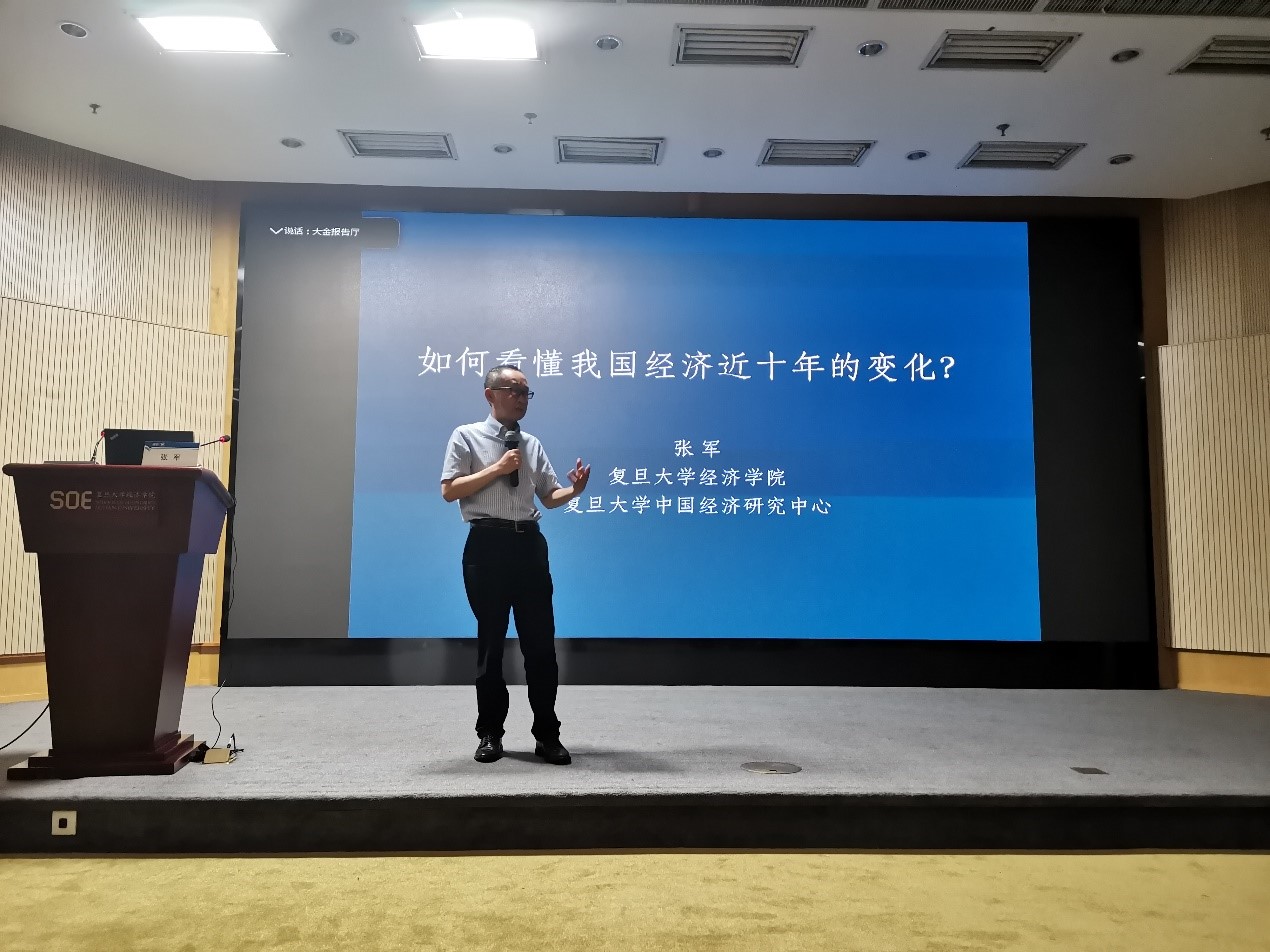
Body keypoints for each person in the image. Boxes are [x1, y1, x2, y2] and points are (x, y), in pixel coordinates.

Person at [440, 365, 591, 765]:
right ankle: (490, 732)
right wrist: (498, 469)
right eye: (514, 390)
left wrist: (573, 490)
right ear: (489, 394)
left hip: (528, 546)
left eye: (526, 392)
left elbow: (549, 497)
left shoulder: (532, 444)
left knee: (541, 646)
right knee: (491, 645)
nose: (522, 398)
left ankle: (547, 735)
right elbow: (449, 490)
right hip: (486, 545)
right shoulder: (466, 436)